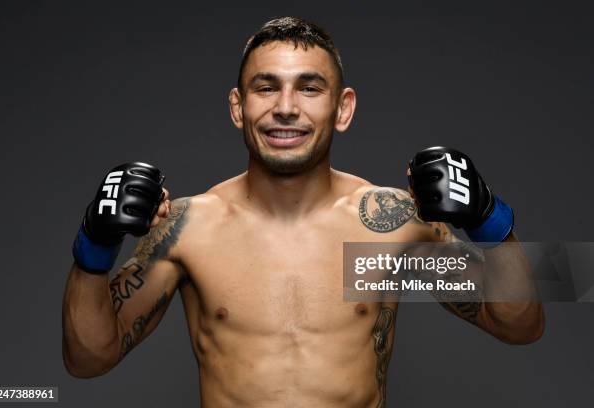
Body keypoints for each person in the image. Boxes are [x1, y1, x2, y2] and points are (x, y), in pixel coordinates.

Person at [62, 17, 544, 407]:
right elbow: (87, 360)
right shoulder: (190, 228)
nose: (286, 108)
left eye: (309, 88)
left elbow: (521, 325)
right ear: (238, 107)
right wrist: (95, 245)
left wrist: (489, 219)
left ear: (343, 108)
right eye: (265, 88)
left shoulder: (387, 224)